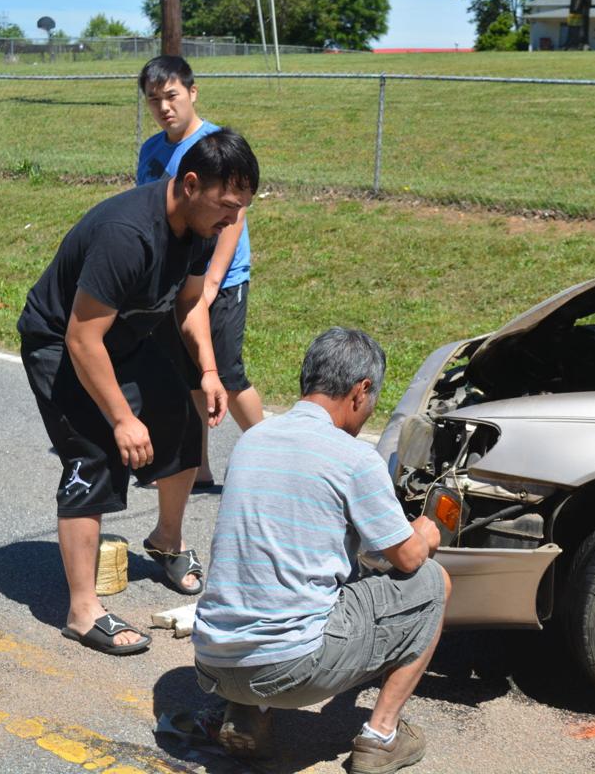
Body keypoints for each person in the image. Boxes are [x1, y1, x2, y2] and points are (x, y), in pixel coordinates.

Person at [17, 129, 259, 654]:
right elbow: (82, 339)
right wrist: (123, 418)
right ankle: (82, 611)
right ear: (191, 185)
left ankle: (166, 541)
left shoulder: (200, 226)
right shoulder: (128, 233)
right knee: (96, 451)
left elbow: (192, 304)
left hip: (125, 333)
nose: (232, 220)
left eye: (240, 208)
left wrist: (211, 373)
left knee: (182, 423)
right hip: (61, 341)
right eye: (227, 207)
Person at [192, 328, 450, 773]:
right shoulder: (354, 458)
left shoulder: (252, 440)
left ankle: (245, 715)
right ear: (360, 391)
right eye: (371, 401)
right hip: (289, 668)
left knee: (284, 578)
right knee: (433, 581)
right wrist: (425, 531)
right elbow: (406, 558)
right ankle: (381, 737)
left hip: (212, 661)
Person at [137, 55, 264, 489]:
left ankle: (274, 456)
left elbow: (236, 215)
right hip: (178, 279)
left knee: (226, 375)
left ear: (192, 92)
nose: (163, 107)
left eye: (171, 95)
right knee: (189, 371)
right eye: (154, 100)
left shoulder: (216, 144)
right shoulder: (151, 151)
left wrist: (211, 283)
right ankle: (197, 464)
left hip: (221, 281)